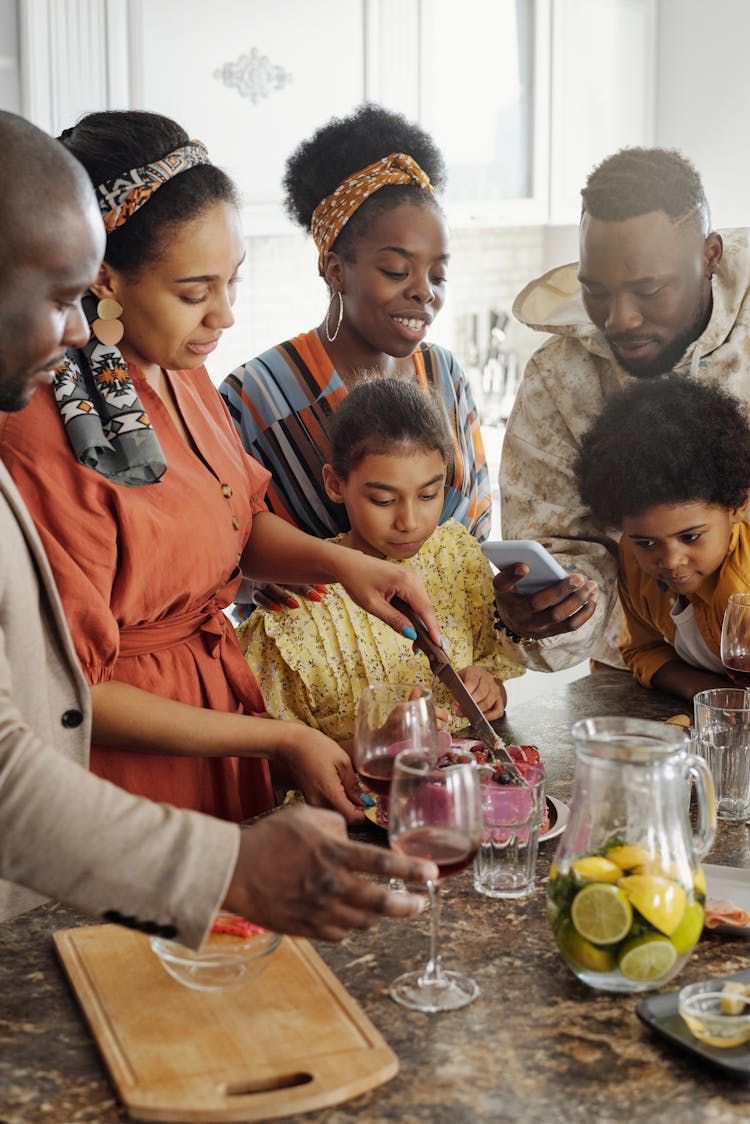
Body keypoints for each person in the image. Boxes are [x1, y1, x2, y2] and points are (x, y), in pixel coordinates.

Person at [0, 109, 437, 945]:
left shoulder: (183, 374)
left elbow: (233, 526)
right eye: (196, 292)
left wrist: (343, 564)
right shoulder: (43, 427)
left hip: (220, 728)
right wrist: (278, 736)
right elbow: (71, 689)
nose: (225, 316)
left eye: (232, 281)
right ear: (106, 280)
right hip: (127, 784)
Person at [219, 103, 491, 612]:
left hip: (439, 666)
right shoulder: (255, 397)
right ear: (336, 270)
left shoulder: (446, 376)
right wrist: (257, 582)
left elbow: (472, 541)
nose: (424, 293)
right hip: (310, 679)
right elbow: (218, 550)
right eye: (396, 270)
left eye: (438, 275)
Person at [496, 146, 750, 672]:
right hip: (647, 675)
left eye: (648, 290)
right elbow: (562, 547)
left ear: (710, 255)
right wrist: (554, 613)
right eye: (596, 292)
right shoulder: (558, 377)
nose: (620, 320)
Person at [238, 378, 524, 743]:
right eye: (384, 501)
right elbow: (260, 759)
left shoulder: (457, 556)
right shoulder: (299, 603)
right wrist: (374, 744)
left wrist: (488, 688)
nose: (409, 522)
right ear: (336, 484)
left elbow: (490, 663)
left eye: (428, 494)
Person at [576, 376, 750, 701]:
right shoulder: (632, 556)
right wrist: (709, 696)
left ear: (738, 505)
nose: (669, 561)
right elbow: (642, 651)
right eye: (646, 542)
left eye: (691, 536)